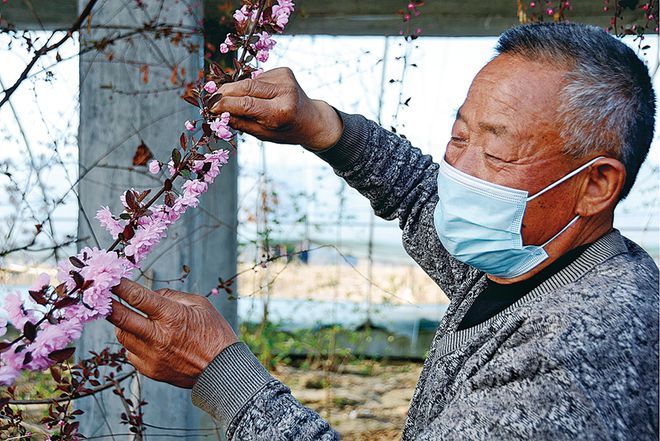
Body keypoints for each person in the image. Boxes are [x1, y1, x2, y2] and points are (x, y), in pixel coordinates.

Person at [108, 22, 659, 440]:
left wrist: (225, 379)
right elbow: (419, 192)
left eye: (494, 149)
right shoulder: (531, 251)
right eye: (458, 136)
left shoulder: (583, 342)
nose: (459, 172)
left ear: (596, 185)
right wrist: (323, 127)